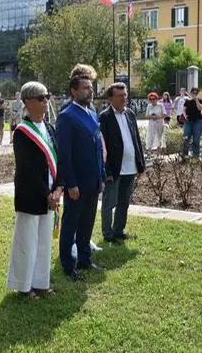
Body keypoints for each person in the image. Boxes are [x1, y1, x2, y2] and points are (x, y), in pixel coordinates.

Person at [7, 81, 62, 298]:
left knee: (44, 242)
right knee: (27, 242)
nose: (46, 101)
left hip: (51, 195)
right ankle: (23, 285)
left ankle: (40, 283)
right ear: (28, 102)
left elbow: (59, 159)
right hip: (32, 195)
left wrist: (58, 189)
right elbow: (27, 169)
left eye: (47, 96)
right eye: (41, 98)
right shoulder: (22, 132)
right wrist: (46, 194)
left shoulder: (49, 128)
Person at [55, 65, 105, 279]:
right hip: (77, 183)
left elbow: (96, 146)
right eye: (85, 88)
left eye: (91, 87)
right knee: (71, 223)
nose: (90, 91)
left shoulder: (92, 112)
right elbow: (64, 155)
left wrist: (101, 176)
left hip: (93, 180)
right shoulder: (67, 116)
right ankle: (68, 264)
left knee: (87, 222)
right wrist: (71, 183)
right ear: (73, 91)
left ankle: (85, 259)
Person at [99, 82, 145, 244]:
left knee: (124, 202)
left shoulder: (130, 114)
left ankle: (119, 230)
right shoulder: (104, 117)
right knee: (109, 203)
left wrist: (141, 164)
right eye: (120, 95)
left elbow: (136, 140)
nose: (124, 98)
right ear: (111, 98)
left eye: (125, 94)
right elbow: (102, 146)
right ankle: (107, 233)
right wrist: (107, 171)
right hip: (115, 168)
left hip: (130, 167)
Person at [182, 88, 202, 157]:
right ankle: (185, 155)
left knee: (196, 139)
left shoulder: (200, 100)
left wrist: (196, 100)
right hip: (188, 121)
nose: (194, 94)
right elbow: (184, 110)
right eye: (193, 93)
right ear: (190, 93)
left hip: (198, 121)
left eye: (196, 93)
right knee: (186, 137)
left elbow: (200, 108)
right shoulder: (187, 101)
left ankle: (195, 156)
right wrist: (185, 116)